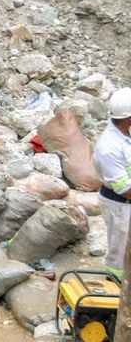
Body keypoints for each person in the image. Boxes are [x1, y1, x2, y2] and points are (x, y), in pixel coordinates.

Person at [93, 87, 131, 278]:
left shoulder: (125, 132)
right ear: (128, 118)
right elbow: (124, 189)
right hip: (120, 204)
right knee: (120, 250)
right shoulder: (109, 148)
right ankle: (115, 284)